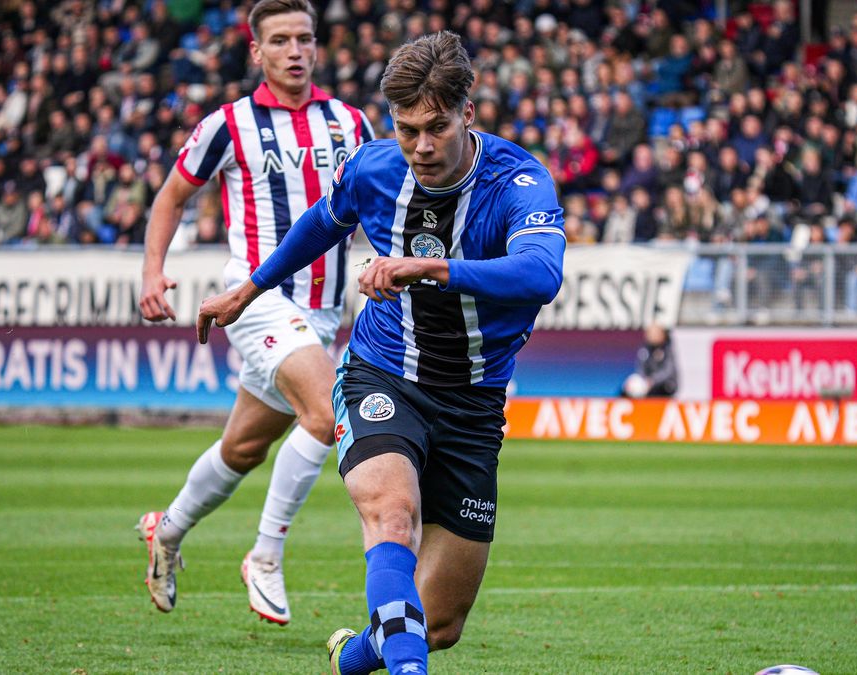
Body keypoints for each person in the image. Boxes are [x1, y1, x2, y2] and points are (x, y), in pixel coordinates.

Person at [195, 31, 565, 675]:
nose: (421, 146)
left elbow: (541, 274)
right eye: (406, 129)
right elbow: (322, 219)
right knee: (392, 512)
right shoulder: (374, 167)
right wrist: (249, 290)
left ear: (467, 113)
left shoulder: (519, 181)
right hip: (384, 374)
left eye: (436, 128)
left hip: (474, 406)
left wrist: (434, 269)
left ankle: (358, 655)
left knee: (439, 623)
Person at [134, 0, 375, 626]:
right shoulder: (229, 124)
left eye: (305, 38)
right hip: (254, 297)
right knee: (328, 412)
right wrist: (152, 269)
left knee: (242, 449)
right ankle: (265, 554)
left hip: (321, 311)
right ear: (256, 52)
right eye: (280, 40)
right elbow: (172, 195)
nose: (295, 51)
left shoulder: (351, 122)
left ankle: (168, 532)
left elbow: (384, 199)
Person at [621, 324, 679, 398]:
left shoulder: (667, 349)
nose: (651, 336)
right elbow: (641, 368)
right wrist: (643, 381)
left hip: (664, 384)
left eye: (655, 333)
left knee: (657, 390)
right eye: (650, 333)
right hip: (647, 383)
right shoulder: (645, 349)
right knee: (628, 389)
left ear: (662, 335)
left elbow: (668, 371)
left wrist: (653, 380)